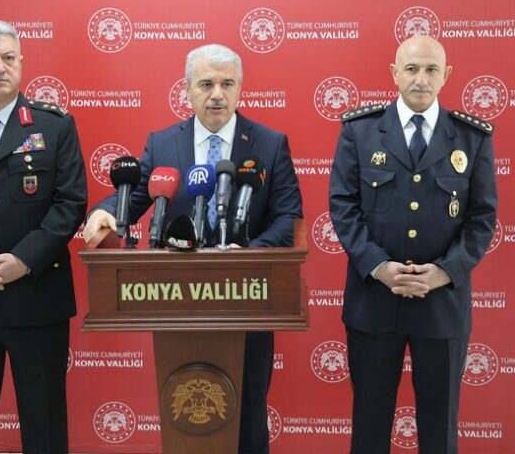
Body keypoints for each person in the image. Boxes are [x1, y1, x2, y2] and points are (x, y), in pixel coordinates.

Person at [83, 43, 302, 454]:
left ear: (240, 88)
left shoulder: (270, 144)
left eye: (227, 84)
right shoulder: (163, 143)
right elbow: (135, 197)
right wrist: (103, 212)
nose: (217, 94)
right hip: (179, 303)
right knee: (184, 406)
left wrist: (249, 253)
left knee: (248, 416)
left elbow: (288, 218)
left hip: (249, 301)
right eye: (206, 84)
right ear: (187, 89)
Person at [329, 35, 497, 454]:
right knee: (369, 430)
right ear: (394, 73)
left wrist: (444, 272)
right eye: (411, 69)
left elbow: (481, 218)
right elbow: (343, 206)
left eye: (431, 69)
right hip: (374, 302)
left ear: (446, 75)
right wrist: (379, 267)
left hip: (441, 305)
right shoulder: (360, 131)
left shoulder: (471, 138)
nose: (421, 79)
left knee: (439, 434)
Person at [0, 20, 87, 454]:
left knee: (44, 424)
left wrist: (23, 261)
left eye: (8, 57)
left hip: (36, 297)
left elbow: (70, 203)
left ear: (22, 62)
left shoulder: (54, 126)